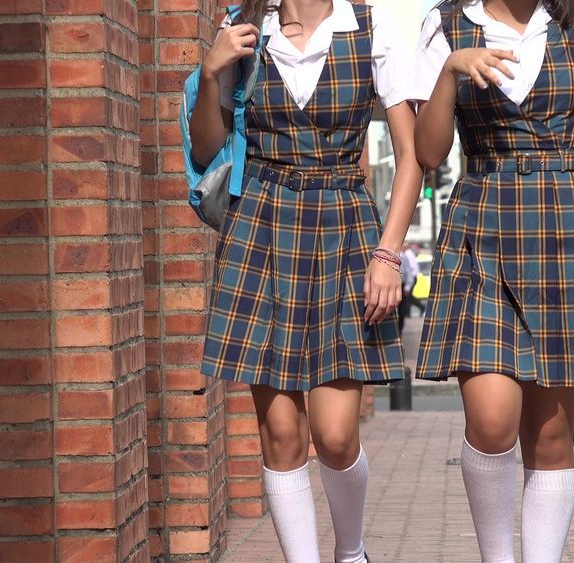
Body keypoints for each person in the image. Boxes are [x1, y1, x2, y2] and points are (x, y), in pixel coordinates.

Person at [188, 1, 422, 560]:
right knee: (282, 434)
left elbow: (412, 156)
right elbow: (204, 150)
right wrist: (212, 70)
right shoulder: (245, 25)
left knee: (336, 436)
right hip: (262, 231)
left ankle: (351, 550)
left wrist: (388, 254)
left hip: (343, 226)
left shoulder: (370, 26)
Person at [412, 0, 574, 560]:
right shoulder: (444, 23)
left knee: (550, 434)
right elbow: (427, 151)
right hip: (484, 216)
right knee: (492, 422)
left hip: (567, 224)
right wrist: (450, 72)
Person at [398, 243, 421, 332]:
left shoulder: (405, 256)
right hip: (393, 284)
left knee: (401, 311)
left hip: (402, 285)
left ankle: (400, 332)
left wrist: (407, 287)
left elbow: (409, 272)